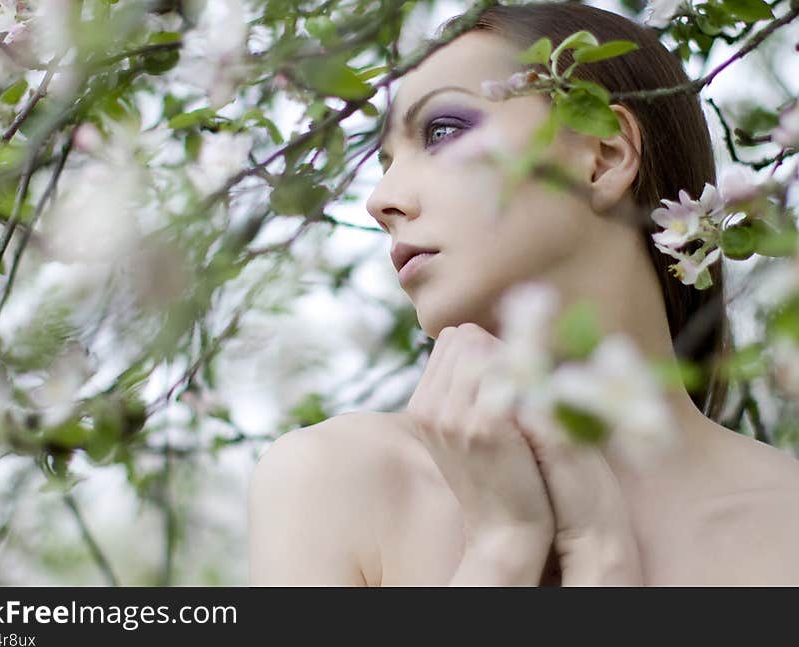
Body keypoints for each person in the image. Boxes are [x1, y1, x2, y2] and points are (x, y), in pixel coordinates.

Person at [247, 2, 799, 585]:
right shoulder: (337, 481)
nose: (380, 199)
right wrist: (502, 548)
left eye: (441, 132)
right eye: (384, 161)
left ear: (602, 156)